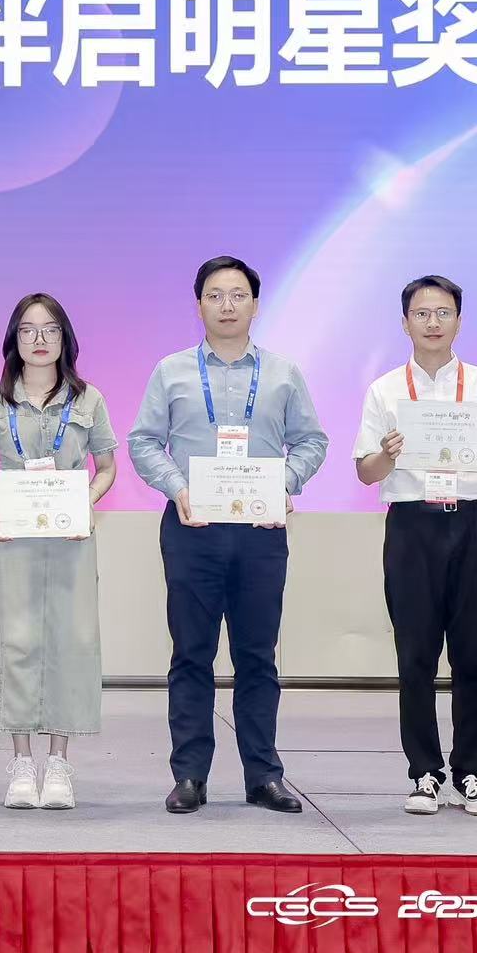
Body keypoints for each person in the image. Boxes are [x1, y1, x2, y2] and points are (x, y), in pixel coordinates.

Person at [127, 255, 329, 816]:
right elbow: (143, 441)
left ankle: (264, 776)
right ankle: (189, 774)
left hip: (260, 532)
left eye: (238, 295)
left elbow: (312, 441)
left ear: (255, 305)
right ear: (199, 306)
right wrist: (178, 488)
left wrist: (282, 484)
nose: (227, 305)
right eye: (215, 295)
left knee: (257, 656)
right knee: (191, 654)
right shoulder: (171, 371)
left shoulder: (283, 373)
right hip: (193, 528)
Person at [353, 275, 477, 817]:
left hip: (471, 524)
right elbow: (365, 472)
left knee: (473, 655)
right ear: (405, 322)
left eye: (443, 313)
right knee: (416, 657)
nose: (433, 322)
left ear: (459, 321)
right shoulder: (385, 389)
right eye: (422, 313)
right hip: (412, 527)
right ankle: (425, 773)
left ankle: (471, 772)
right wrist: (387, 454)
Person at [0, 293, 119, 810]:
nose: (39, 339)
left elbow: (107, 468)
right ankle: (22, 763)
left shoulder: (89, 400)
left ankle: (59, 765)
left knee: (70, 641)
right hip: (13, 542)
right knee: (17, 641)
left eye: (50, 329)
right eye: (28, 330)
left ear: (65, 339)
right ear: (14, 339)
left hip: (70, 541)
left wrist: (86, 500)